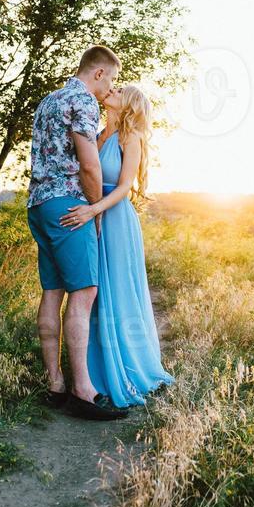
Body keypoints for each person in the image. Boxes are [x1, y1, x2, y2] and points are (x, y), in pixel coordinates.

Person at [26, 45, 128, 421]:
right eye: (112, 79)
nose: (110, 89)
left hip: (38, 204)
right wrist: (94, 211)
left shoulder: (49, 100)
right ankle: (83, 391)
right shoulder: (83, 101)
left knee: (52, 292)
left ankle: (53, 383)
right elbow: (88, 165)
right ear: (98, 73)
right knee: (84, 293)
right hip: (68, 206)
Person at [59, 84, 174, 408]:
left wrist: (94, 210)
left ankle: (127, 367)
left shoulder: (130, 137)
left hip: (114, 220)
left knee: (117, 290)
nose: (112, 89)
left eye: (120, 89)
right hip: (89, 217)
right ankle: (91, 376)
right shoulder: (95, 134)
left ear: (130, 104)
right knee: (91, 292)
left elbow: (125, 186)